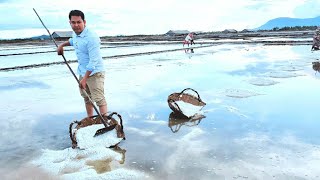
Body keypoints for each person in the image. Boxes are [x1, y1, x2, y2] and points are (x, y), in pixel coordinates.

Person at [57, 10, 107, 118]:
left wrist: (84, 79)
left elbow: (94, 61)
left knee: (99, 99)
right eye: (73, 22)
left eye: (78, 22)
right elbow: (72, 41)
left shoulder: (91, 37)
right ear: (69, 23)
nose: (76, 25)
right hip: (82, 71)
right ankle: (90, 119)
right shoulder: (75, 34)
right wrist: (61, 45)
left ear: (84, 22)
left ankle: (106, 123)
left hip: (95, 73)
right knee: (87, 98)